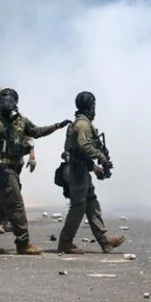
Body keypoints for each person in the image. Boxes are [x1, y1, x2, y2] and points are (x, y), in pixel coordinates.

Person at [0, 87, 68, 255]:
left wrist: (57, 126)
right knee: (16, 206)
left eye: (10, 99)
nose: (7, 102)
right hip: (2, 170)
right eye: (4, 99)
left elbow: (36, 132)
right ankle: (23, 243)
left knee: (2, 206)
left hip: (14, 169)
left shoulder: (20, 121)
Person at [56, 91, 125, 253]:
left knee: (92, 203)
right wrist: (100, 156)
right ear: (90, 106)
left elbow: (78, 152)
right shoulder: (82, 124)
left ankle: (105, 241)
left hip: (80, 170)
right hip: (76, 172)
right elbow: (84, 146)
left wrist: (94, 168)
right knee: (78, 208)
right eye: (93, 105)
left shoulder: (80, 123)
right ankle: (65, 242)